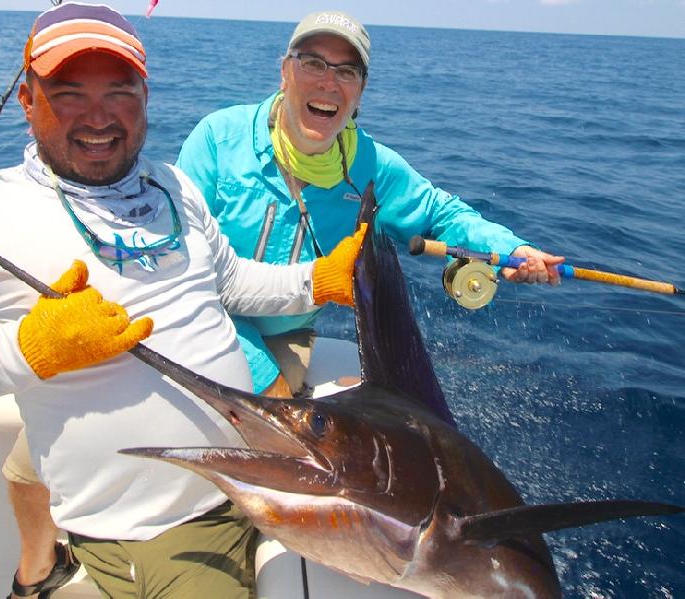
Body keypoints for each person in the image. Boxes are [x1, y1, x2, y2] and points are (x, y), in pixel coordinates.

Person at [0, 3, 366, 599]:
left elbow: (231, 282)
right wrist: (29, 350)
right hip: (162, 534)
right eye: (67, 92)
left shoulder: (172, 184)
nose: (99, 116)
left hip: (254, 476)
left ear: (145, 96)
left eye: (119, 91)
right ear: (27, 100)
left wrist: (317, 282)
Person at [176, 10, 566, 399]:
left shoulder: (373, 166)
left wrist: (512, 248)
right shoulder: (217, 139)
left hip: (287, 337)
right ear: (285, 72)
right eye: (313, 63)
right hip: (206, 322)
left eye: (347, 72)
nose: (329, 82)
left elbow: (441, 214)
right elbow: (179, 274)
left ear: (361, 90)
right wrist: (264, 379)